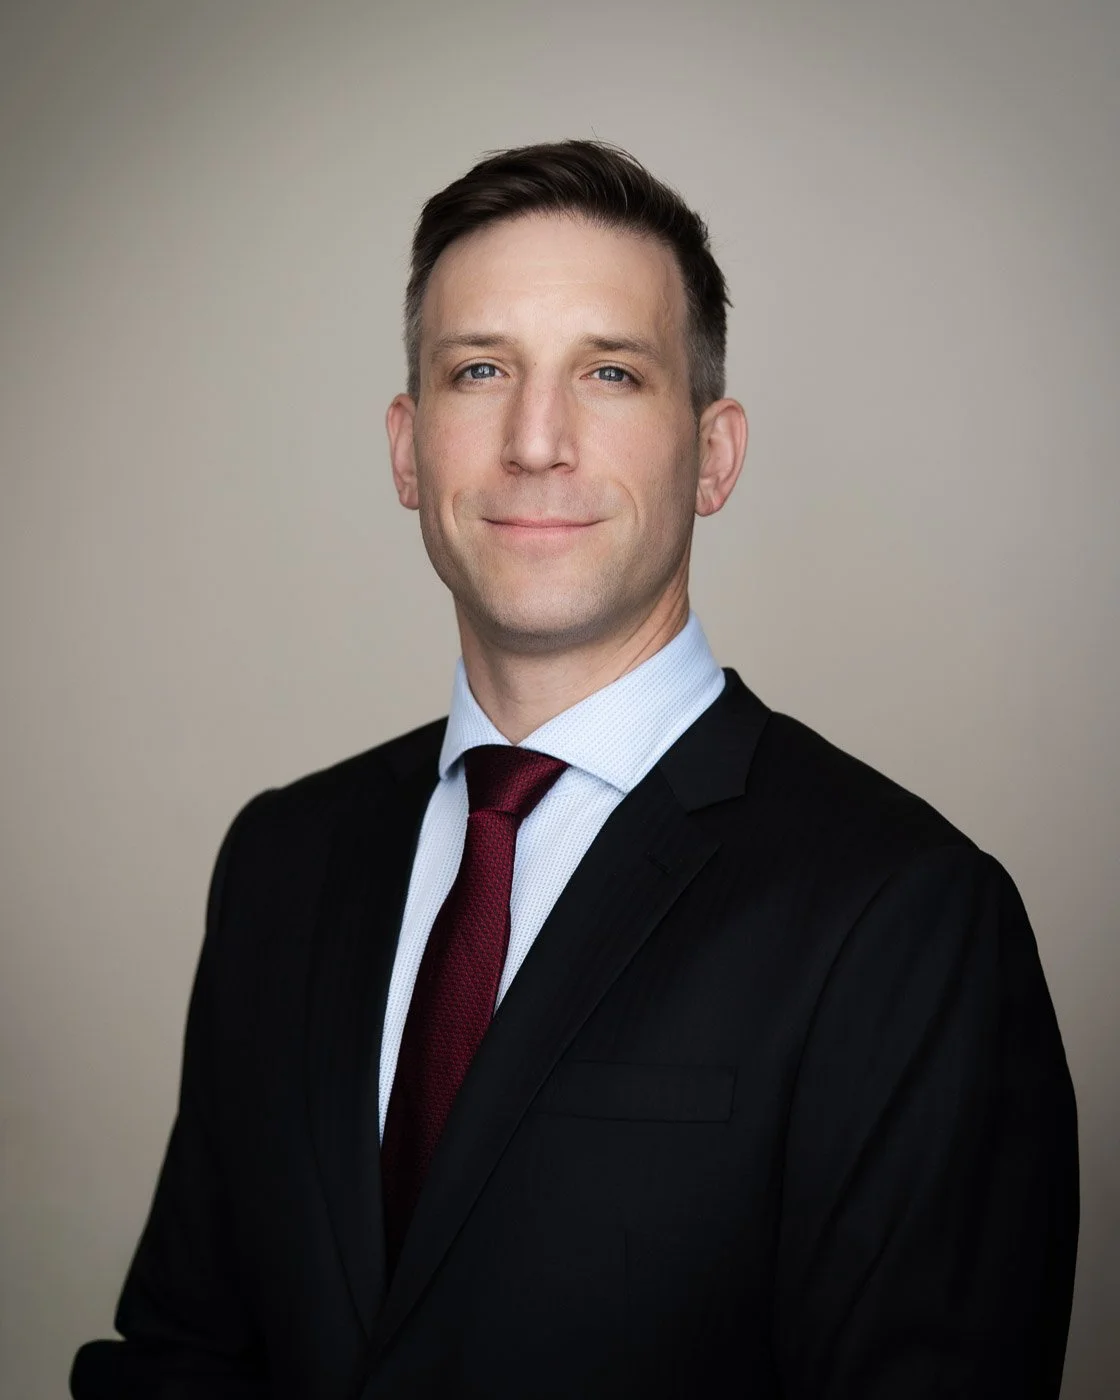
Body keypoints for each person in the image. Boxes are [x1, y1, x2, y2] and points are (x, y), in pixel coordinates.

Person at [71, 140, 1078, 1399]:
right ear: (406, 445)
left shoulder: (908, 913)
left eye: (609, 372)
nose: (534, 439)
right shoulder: (281, 857)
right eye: (478, 369)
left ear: (712, 455)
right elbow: (186, 1354)